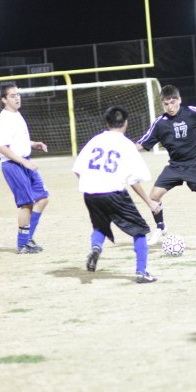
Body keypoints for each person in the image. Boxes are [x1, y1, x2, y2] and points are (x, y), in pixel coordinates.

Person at [72, 105, 160, 283]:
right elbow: (134, 180)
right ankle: (142, 273)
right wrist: (150, 203)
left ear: (107, 122)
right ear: (126, 123)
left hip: (90, 192)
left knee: (101, 225)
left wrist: (93, 184)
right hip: (113, 192)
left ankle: (96, 248)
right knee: (140, 231)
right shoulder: (127, 145)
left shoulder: (95, 140)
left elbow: (78, 170)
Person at [136, 84, 196, 247]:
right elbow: (143, 143)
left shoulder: (192, 112)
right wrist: (122, 149)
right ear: (162, 104)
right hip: (175, 166)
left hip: (195, 163)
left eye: (173, 102)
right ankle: (160, 227)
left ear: (179, 100)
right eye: (166, 104)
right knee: (153, 197)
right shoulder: (160, 123)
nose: (170, 107)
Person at [0, 82, 49, 254]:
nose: (17, 97)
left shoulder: (17, 115)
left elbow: (18, 141)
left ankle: (28, 239)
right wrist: (24, 162)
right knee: (26, 204)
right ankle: (22, 244)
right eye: (12, 95)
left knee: (42, 198)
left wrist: (34, 144)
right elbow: (3, 148)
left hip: (25, 160)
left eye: (18, 94)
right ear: (4, 99)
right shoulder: (3, 119)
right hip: (13, 165)